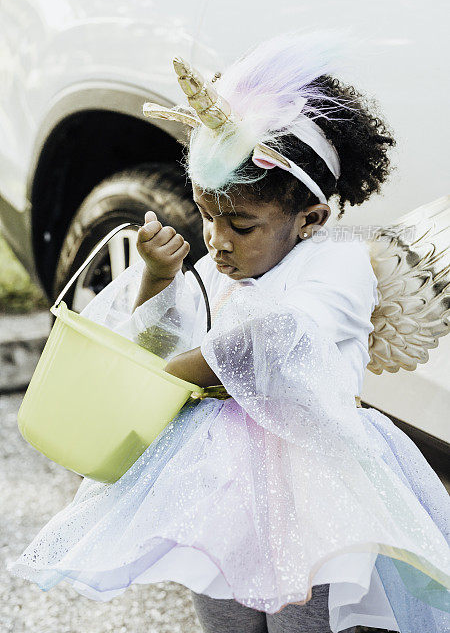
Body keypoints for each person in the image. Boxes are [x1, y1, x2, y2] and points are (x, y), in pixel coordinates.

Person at [7, 31, 450, 633]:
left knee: (302, 619)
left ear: (311, 218)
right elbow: (168, 334)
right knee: (224, 612)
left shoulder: (341, 267)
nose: (216, 239)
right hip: (217, 480)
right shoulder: (230, 265)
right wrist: (160, 280)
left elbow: (279, 340)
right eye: (207, 214)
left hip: (309, 483)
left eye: (239, 223)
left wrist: (160, 380)